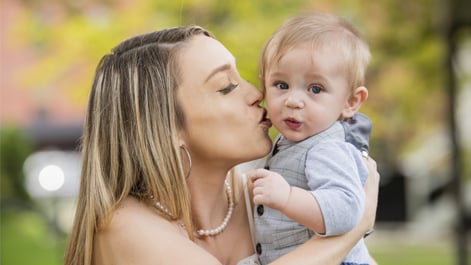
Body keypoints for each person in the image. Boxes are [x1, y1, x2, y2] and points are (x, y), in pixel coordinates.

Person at [64, 25, 380, 265]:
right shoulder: (123, 226)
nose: (258, 93)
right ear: (166, 126)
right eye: (226, 87)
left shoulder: (267, 195)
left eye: (243, 77)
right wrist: (353, 227)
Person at [247, 12, 373, 265]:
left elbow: (347, 209)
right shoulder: (294, 142)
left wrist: (287, 197)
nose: (293, 101)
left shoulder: (326, 149)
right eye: (281, 85)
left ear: (350, 102)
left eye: (315, 89)